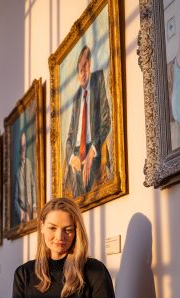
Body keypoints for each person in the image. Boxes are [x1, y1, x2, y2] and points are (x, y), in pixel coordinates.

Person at [65, 45, 111, 197]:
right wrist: (72, 158)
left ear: (90, 65)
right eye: (80, 70)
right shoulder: (76, 98)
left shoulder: (98, 81)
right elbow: (69, 137)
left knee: (91, 192)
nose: (83, 73)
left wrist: (92, 152)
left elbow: (106, 122)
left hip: (94, 147)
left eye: (86, 67)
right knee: (74, 192)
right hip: (77, 152)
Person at [14, 131, 37, 225]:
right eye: (22, 146)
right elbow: (15, 200)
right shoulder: (17, 172)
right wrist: (22, 213)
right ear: (19, 148)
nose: (23, 148)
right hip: (24, 215)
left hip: (32, 211)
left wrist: (35, 206)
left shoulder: (29, 164)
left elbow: (33, 186)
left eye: (25, 145)